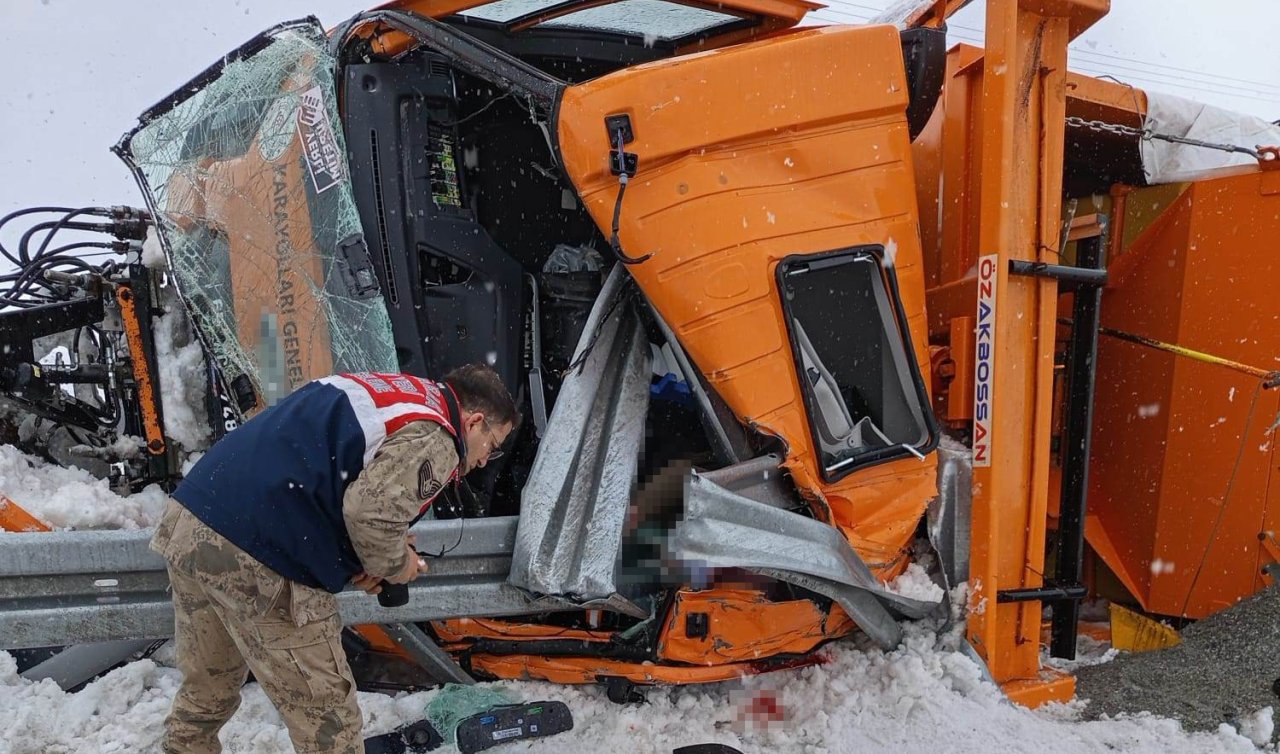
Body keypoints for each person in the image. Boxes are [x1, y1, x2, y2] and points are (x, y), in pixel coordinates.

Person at [150, 365, 517, 754]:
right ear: (474, 422)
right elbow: (371, 514)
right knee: (328, 721)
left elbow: (332, 481)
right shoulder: (438, 434)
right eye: (492, 446)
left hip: (194, 521)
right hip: (260, 553)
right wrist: (397, 564)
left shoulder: (394, 392)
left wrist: (366, 555)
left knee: (210, 684)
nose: (483, 461)